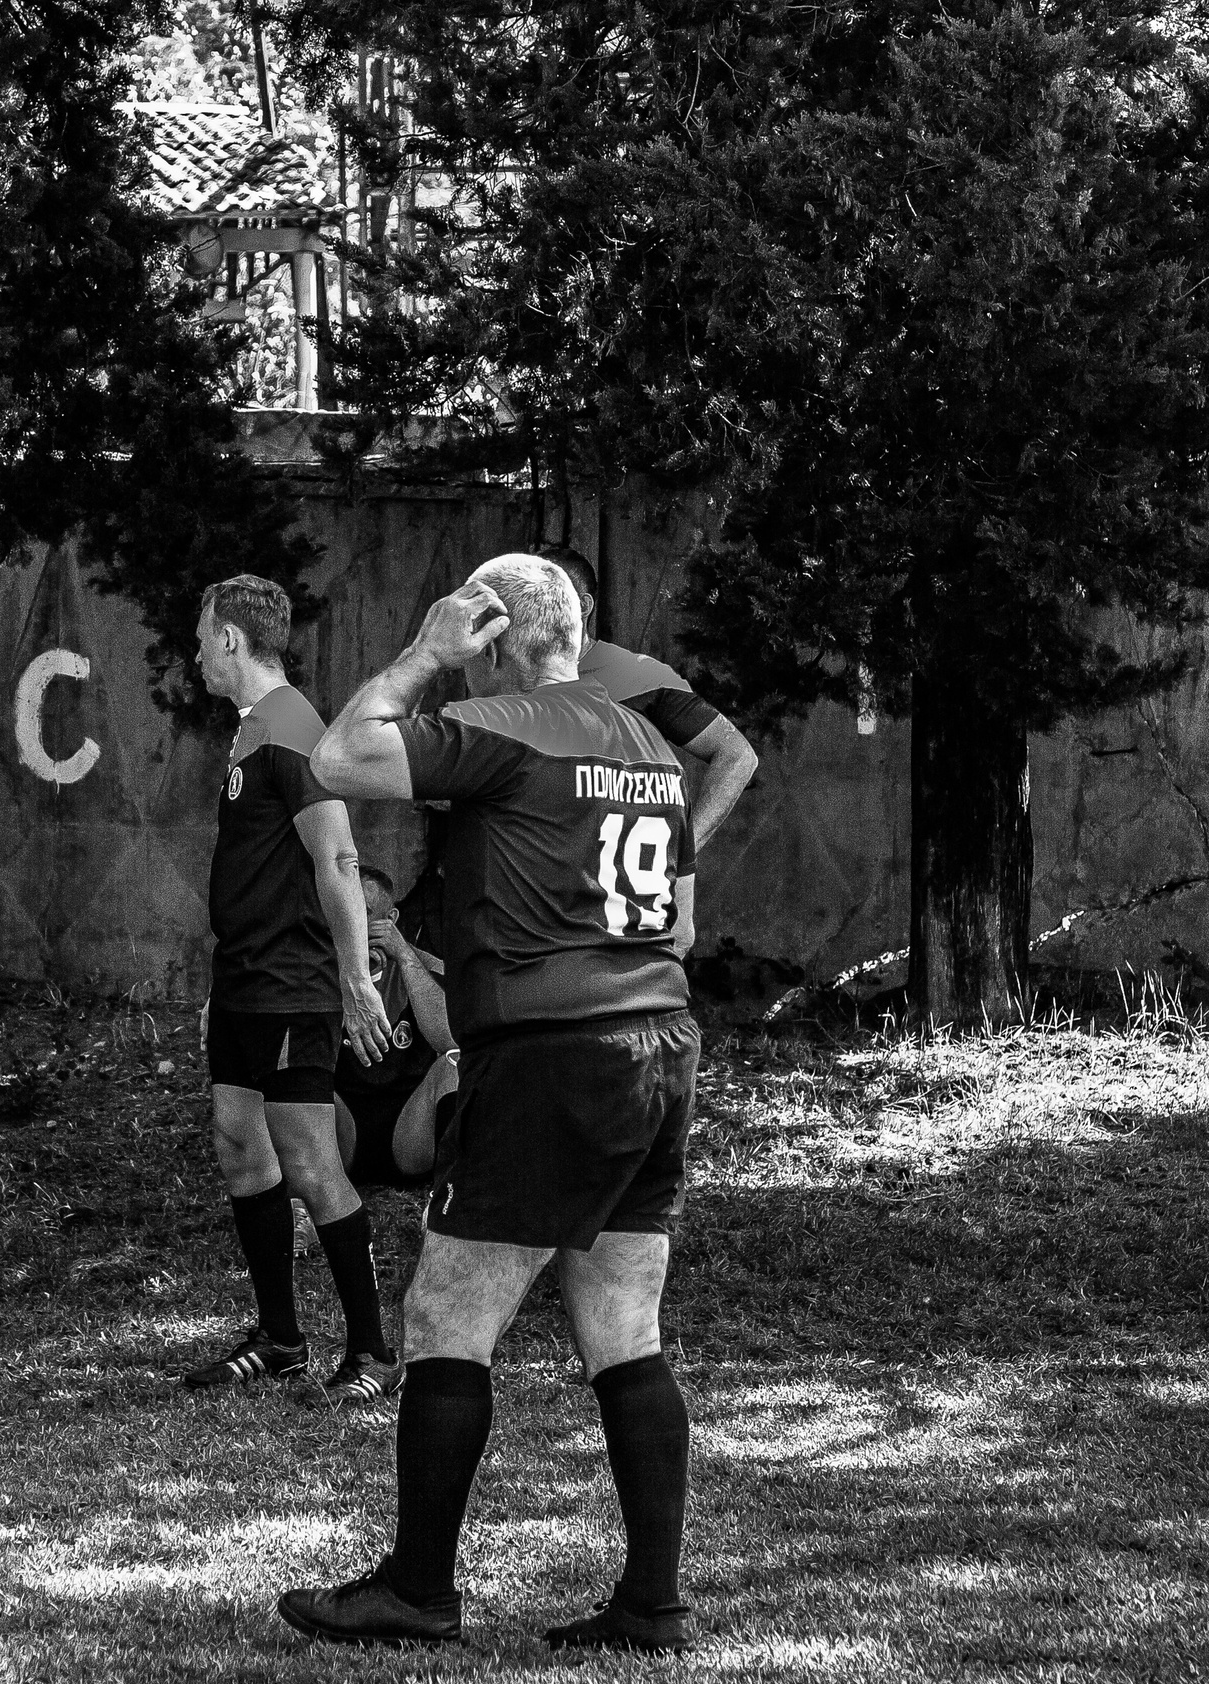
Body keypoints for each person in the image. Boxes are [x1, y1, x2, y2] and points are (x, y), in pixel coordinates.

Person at [281, 554, 704, 1651]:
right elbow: (684, 927)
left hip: (550, 1051)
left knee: (445, 1318)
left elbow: (338, 754)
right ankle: (651, 1602)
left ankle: (418, 1589)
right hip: (658, 1043)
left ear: (498, 633)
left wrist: (424, 652)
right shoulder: (650, 746)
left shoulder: (510, 725)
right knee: (622, 1324)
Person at [181, 575, 398, 1407]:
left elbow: (336, 857)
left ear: (230, 640)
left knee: (308, 1159)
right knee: (240, 1143)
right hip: (243, 980)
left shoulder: (295, 728)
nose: (197, 650)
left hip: (292, 984)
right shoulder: (252, 731)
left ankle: (375, 1352)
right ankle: (280, 1338)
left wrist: (353, 981)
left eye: (203, 635)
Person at [535, 542, 759, 843]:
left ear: (583, 606)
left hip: (613, 880)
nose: (525, 605)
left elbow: (737, 756)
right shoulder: (504, 678)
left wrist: (683, 854)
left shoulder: (636, 677)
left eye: (539, 594)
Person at [334, 866, 457, 1190]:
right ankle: (301, 1200)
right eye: (344, 913)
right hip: (339, 1135)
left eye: (365, 915)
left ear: (391, 919)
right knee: (288, 1070)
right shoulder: (317, 969)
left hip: (410, 1132)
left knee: (456, 1063)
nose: (353, 926)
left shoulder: (425, 966)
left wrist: (404, 955)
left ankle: (448, 1196)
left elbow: (449, 1040)